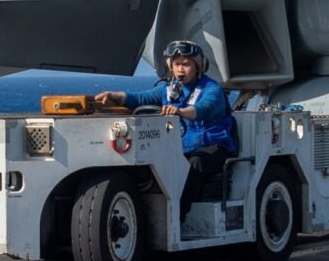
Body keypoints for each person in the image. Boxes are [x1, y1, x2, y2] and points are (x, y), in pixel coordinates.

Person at [96, 40, 237, 222]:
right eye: (177, 64)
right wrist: (115, 96)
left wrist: (180, 112)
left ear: (198, 66)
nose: (180, 69)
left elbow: (203, 108)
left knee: (195, 162)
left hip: (214, 145)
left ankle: (177, 217)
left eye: (186, 64)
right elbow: (141, 98)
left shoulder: (213, 89)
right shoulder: (169, 89)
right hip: (182, 145)